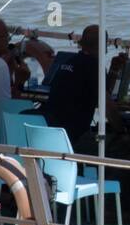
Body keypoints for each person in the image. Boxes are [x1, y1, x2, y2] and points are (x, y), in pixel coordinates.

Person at [39, 24, 106, 152]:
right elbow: (106, 103)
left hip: (53, 133)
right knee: (119, 143)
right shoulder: (93, 66)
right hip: (75, 138)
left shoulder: (67, 62)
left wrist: (113, 71)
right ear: (101, 46)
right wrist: (122, 129)